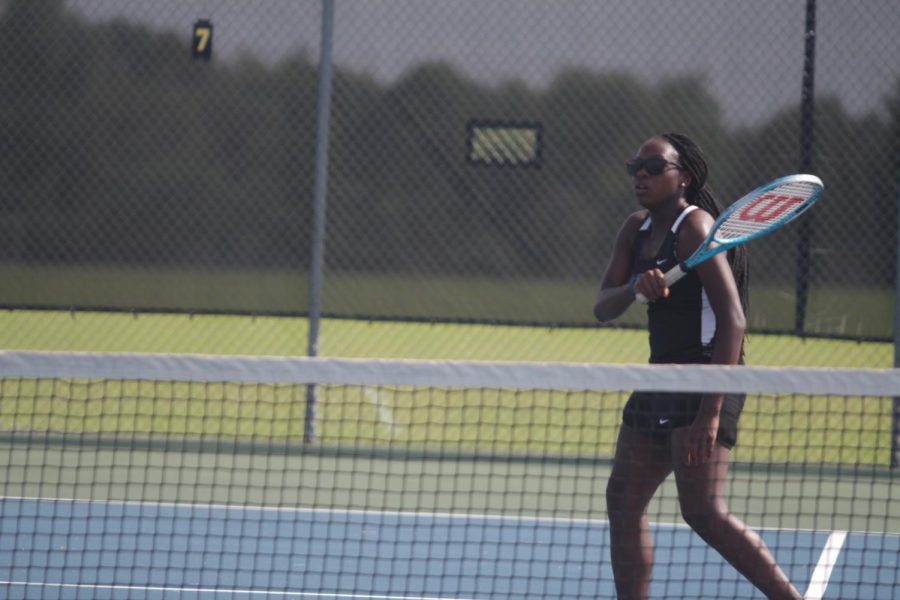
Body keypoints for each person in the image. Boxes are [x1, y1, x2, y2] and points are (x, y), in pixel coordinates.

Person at [593, 133, 801, 599]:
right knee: (623, 499)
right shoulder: (636, 229)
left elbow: (734, 320)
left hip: (710, 373)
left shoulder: (696, 227)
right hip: (661, 376)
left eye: (652, 166)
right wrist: (634, 289)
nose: (640, 175)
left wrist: (710, 412)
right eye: (635, 167)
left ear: (682, 175)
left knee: (703, 511)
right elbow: (602, 306)